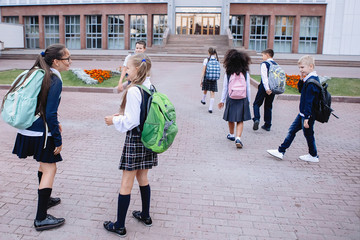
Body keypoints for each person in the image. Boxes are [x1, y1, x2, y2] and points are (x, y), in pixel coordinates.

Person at [2, 44, 71, 231]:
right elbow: (50, 112)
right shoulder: (54, 79)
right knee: (50, 168)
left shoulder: (37, 72)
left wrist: (55, 123)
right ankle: (41, 218)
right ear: (56, 61)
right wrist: (58, 139)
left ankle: (46, 199)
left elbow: (44, 107)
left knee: (43, 164)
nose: (70, 62)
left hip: (28, 129)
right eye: (67, 59)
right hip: (42, 132)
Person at [104, 53, 157, 237]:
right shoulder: (151, 86)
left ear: (137, 69)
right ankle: (146, 215)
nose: (125, 71)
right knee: (143, 177)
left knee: (126, 182)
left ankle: (119, 225)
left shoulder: (135, 90)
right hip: (148, 139)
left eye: (127, 68)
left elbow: (132, 121)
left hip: (135, 139)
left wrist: (114, 120)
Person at [267, 55, 320, 163]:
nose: (300, 70)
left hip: (307, 115)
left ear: (311, 66)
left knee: (308, 135)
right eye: (299, 68)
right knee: (293, 131)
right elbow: (300, 90)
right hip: (303, 114)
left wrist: (306, 118)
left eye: (302, 68)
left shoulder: (311, 82)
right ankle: (281, 151)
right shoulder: (308, 79)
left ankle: (313, 155)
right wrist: (301, 80)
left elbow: (309, 101)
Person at [218, 49, 251, 148]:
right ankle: (238, 138)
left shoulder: (228, 73)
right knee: (240, 119)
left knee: (231, 118)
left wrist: (222, 100)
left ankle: (231, 134)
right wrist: (248, 100)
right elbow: (248, 87)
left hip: (231, 97)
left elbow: (225, 88)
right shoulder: (245, 73)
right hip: (242, 97)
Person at [252, 48, 276, 132]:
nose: (262, 57)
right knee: (268, 106)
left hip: (264, 87)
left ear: (267, 55)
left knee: (256, 104)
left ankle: (256, 119)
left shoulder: (264, 64)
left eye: (263, 55)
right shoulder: (276, 64)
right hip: (273, 87)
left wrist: (267, 88)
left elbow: (264, 77)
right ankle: (267, 125)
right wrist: (270, 89)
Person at [200, 47, 220, 113]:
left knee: (205, 88)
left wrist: (201, 79)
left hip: (207, 77)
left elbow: (203, 70)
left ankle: (203, 99)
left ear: (209, 52)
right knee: (212, 92)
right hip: (214, 78)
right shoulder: (217, 60)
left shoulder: (206, 60)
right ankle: (210, 108)